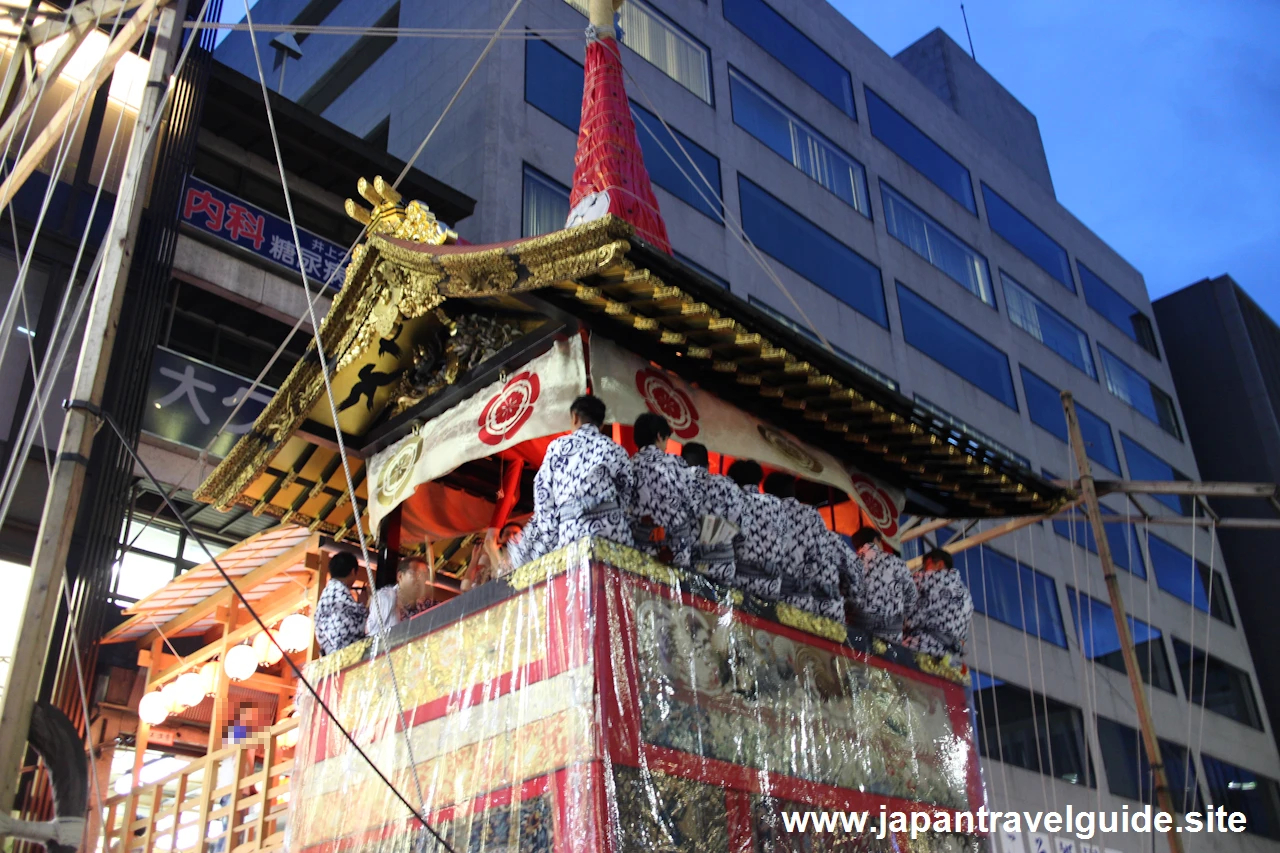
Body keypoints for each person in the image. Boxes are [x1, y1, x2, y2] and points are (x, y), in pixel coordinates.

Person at [511, 395, 633, 566]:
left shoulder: (557, 447)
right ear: (601, 424)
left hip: (573, 531)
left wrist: (548, 536)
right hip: (614, 531)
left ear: (575, 417)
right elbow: (627, 491)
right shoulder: (614, 449)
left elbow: (543, 495)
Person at [761, 472, 843, 620]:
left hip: (765, 593)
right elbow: (820, 554)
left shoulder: (765, 512)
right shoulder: (810, 514)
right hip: (801, 599)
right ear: (792, 491)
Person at [627, 413, 698, 567]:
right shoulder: (677, 464)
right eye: (666, 439)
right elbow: (693, 506)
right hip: (675, 552)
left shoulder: (629, 465)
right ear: (659, 436)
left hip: (639, 550)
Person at [726, 460, 796, 601]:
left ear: (733, 481)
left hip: (740, 581)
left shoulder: (736, 500)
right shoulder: (777, 504)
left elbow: (727, 539)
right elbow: (785, 542)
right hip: (772, 585)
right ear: (758, 481)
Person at [680, 443, 745, 585]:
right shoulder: (729, 486)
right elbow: (740, 527)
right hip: (721, 567)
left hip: (684, 562)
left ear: (681, 461)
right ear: (708, 464)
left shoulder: (677, 480)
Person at [849, 528, 917, 643]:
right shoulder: (896, 562)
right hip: (891, 634)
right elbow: (911, 597)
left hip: (856, 630)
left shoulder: (850, 561)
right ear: (876, 540)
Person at [903, 548, 973, 659]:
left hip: (919, 647)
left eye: (926, 566)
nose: (924, 571)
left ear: (939, 564)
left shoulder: (928, 579)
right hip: (947, 659)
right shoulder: (966, 595)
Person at [314, 551, 367, 655]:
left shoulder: (329, 593)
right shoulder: (339, 593)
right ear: (353, 572)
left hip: (331, 653)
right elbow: (352, 628)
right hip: (343, 654)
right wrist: (365, 607)